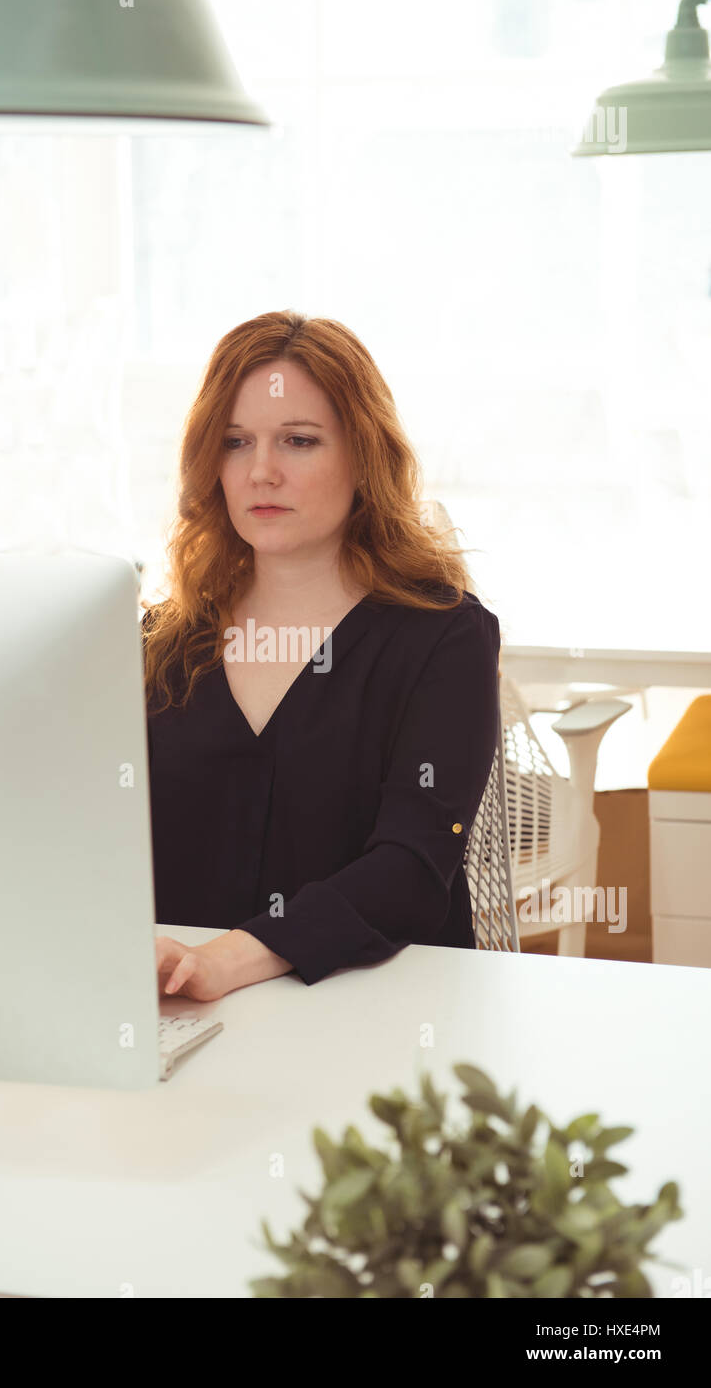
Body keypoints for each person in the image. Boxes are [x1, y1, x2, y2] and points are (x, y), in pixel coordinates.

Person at [142, 309, 500, 1001]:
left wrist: (228, 961)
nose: (261, 472)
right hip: (173, 1011)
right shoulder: (158, 644)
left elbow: (411, 868)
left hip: (373, 1012)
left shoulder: (443, 636)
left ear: (364, 458)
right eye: (235, 442)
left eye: (298, 441)